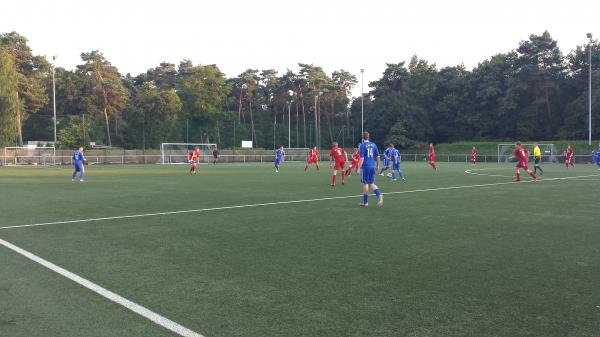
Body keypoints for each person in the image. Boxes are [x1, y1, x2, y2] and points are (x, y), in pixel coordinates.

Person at [358, 132, 383, 207]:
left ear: (363, 137)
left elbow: (362, 158)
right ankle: (379, 196)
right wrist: (378, 165)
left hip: (366, 166)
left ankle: (365, 202)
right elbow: (378, 156)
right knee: (371, 183)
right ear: (369, 137)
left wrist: (359, 167)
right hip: (372, 166)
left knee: (365, 184)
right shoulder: (374, 144)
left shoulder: (362, 145)